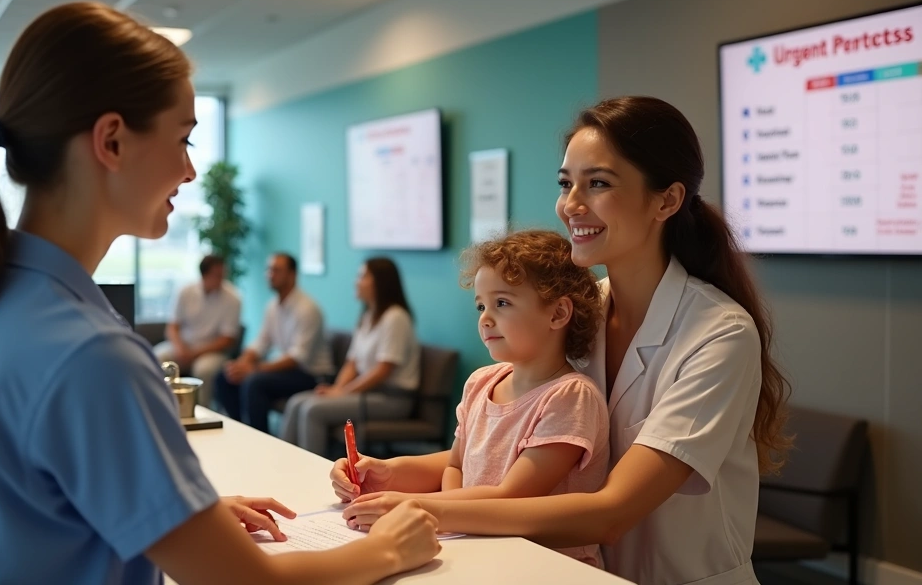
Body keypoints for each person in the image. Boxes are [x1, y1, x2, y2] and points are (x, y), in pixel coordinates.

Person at [0, 1, 440, 585]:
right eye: (183, 139)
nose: (190, 172)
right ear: (112, 141)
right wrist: (390, 548)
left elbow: (24, 512)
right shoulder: (90, 353)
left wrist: (183, 522)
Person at [332, 97, 792, 585]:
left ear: (667, 200)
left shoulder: (719, 335)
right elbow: (499, 456)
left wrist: (419, 508)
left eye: (598, 183)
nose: (570, 205)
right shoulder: (581, 312)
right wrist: (390, 473)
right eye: (565, 183)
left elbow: (611, 513)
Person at [346, 231, 609, 567]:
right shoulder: (481, 382)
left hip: (547, 565)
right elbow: (457, 465)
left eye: (502, 303)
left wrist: (412, 506)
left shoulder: (570, 396)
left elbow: (512, 497)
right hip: (478, 549)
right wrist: (382, 476)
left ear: (558, 314)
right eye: (481, 305)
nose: (485, 317)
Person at [280, 257, 420, 458]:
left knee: (313, 410)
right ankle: (285, 465)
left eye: (362, 276)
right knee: (296, 402)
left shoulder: (396, 318)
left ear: (381, 282)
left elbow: (383, 370)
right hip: (367, 393)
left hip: (392, 399)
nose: (356, 281)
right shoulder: (367, 317)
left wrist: (344, 392)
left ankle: (312, 474)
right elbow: (352, 363)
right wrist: (336, 389)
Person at [215, 253, 334, 432]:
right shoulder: (272, 306)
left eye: (277, 270)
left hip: (312, 375)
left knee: (254, 382)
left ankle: (260, 439)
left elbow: (297, 357)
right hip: (289, 371)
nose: (270, 274)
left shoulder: (307, 309)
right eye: (269, 269)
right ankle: (241, 430)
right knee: (224, 377)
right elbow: (261, 342)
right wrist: (244, 362)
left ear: (292, 275)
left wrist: (254, 369)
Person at [154, 254, 242, 406]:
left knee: (204, 370)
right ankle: (162, 407)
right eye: (217, 274)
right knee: (157, 358)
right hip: (184, 345)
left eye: (223, 274)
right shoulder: (185, 292)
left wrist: (194, 354)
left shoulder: (233, 298)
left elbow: (227, 339)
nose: (221, 278)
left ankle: (199, 412)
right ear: (204, 274)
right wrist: (181, 349)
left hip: (211, 350)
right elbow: (173, 327)